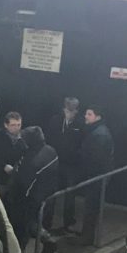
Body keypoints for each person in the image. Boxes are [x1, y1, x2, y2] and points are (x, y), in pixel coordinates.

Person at [9, 126, 60, 253]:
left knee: (22, 229)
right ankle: (46, 238)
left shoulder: (32, 160)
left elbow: (25, 182)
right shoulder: (50, 151)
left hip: (29, 198)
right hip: (47, 195)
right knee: (31, 223)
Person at [43, 97, 85, 231]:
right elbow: (48, 139)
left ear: (77, 111)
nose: (69, 113)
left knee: (70, 194)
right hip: (55, 162)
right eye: (68, 109)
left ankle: (68, 222)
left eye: (73, 110)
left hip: (71, 165)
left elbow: (82, 144)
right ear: (64, 108)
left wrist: (75, 157)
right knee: (51, 193)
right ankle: (46, 222)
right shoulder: (55, 121)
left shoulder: (80, 124)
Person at [76, 105, 115, 245]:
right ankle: (87, 235)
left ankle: (87, 238)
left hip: (96, 177)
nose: (85, 116)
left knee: (91, 208)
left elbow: (96, 160)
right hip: (95, 176)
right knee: (91, 207)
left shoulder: (99, 134)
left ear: (97, 117)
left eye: (89, 114)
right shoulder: (98, 131)